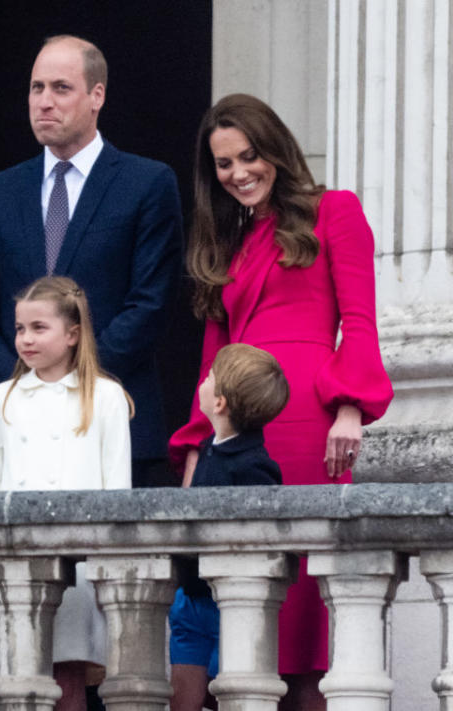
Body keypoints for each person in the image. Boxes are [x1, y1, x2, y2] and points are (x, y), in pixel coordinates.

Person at [169, 94, 394, 711]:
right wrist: (196, 444)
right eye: (222, 163)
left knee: (303, 624)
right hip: (238, 424)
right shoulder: (227, 241)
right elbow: (213, 358)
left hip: (309, 423)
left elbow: (361, 320)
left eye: (249, 156)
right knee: (243, 601)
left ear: (276, 151)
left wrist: (351, 407)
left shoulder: (334, 211)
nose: (238, 172)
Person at [0, 34, 182, 488]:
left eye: (61, 88)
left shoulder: (147, 183)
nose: (44, 102)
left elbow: (151, 302)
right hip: (17, 431)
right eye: (37, 88)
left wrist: (76, 384)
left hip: (116, 422)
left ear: (97, 95)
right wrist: (25, 387)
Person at [0, 276, 133, 711]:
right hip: (16, 562)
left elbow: (116, 490)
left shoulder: (105, 397)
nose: (25, 339)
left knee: (67, 679)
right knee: (15, 681)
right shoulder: (1, 398)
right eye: (20, 328)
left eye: (39, 328)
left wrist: (107, 571)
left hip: (80, 567)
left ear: (73, 333)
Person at [169, 344, 289, 711]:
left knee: (233, 695)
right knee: (181, 697)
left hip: (232, 602)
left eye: (209, 378)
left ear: (219, 402)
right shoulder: (208, 448)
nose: (202, 382)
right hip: (192, 597)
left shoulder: (255, 466)